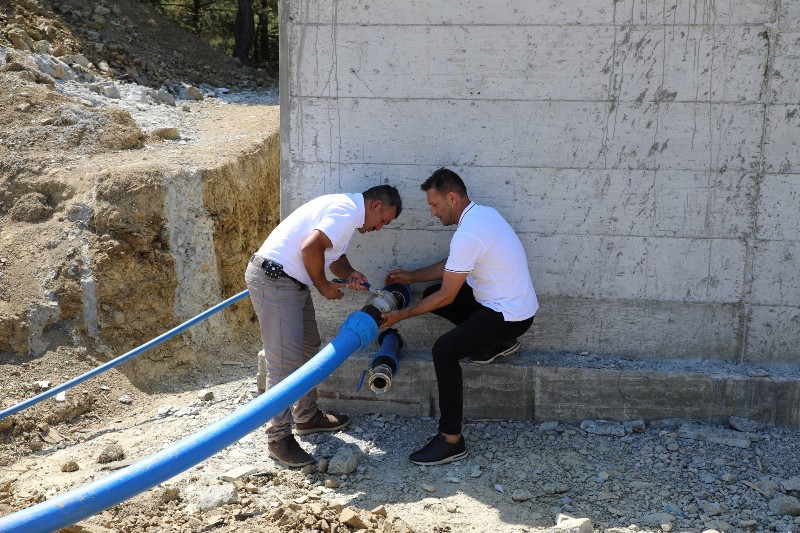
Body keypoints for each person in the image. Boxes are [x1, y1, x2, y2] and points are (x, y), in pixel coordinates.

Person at [380, 168, 537, 466]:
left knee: (444, 350)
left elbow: (449, 296)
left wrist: (400, 316)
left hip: (509, 316)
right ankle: (492, 347)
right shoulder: (482, 215)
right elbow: (454, 265)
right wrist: (412, 277)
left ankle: (451, 440)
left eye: (434, 204)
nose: (432, 213)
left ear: (452, 197)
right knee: (432, 294)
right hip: (508, 305)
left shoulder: (469, 232)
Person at [245, 185, 402, 467]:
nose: (380, 228)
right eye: (383, 221)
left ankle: (306, 417)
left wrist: (349, 273)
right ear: (376, 205)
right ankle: (278, 437)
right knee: (283, 363)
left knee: (309, 349)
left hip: (290, 282)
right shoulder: (344, 212)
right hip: (276, 281)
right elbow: (310, 248)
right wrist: (324, 287)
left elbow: (332, 256)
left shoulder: (347, 216)